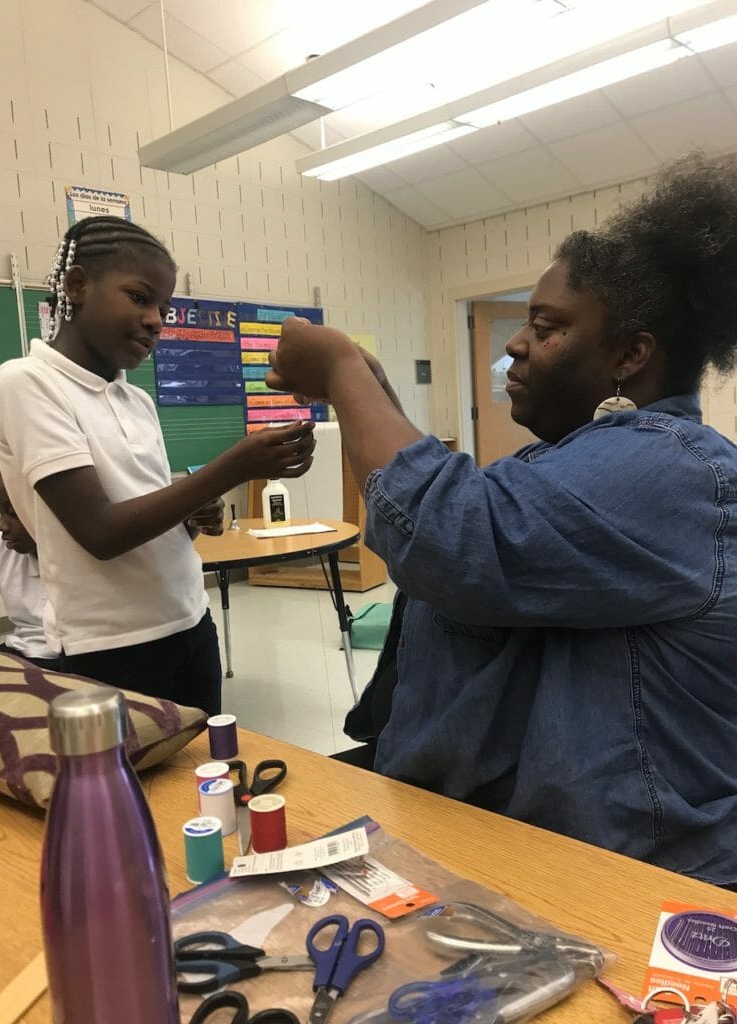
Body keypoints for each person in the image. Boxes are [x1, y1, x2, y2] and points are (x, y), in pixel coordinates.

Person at [265, 152, 737, 888]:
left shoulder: (670, 468)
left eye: (546, 328)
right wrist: (375, 392)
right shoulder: (574, 460)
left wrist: (341, 374)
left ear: (630, 355)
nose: (516, 344)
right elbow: (449, 530)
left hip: (636, 876)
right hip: (521, 844)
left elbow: (450, 537)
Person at [0, 215, 315, 716]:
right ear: (77, 286)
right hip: (112, 648)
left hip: (189, 620)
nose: (157, 320)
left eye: (163, 307)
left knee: (207, 778)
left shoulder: (136, 400)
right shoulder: (27, 381)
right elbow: (100, 532)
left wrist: (194, 516)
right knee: (135, 792)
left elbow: (145, 512)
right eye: (140, 298)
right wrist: (232, 469)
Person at [0, 471, 59, 669]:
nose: (1, 525)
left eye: (13, 512)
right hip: (22, 651)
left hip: (72, 660)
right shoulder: (0, 549)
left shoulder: (86, 557)